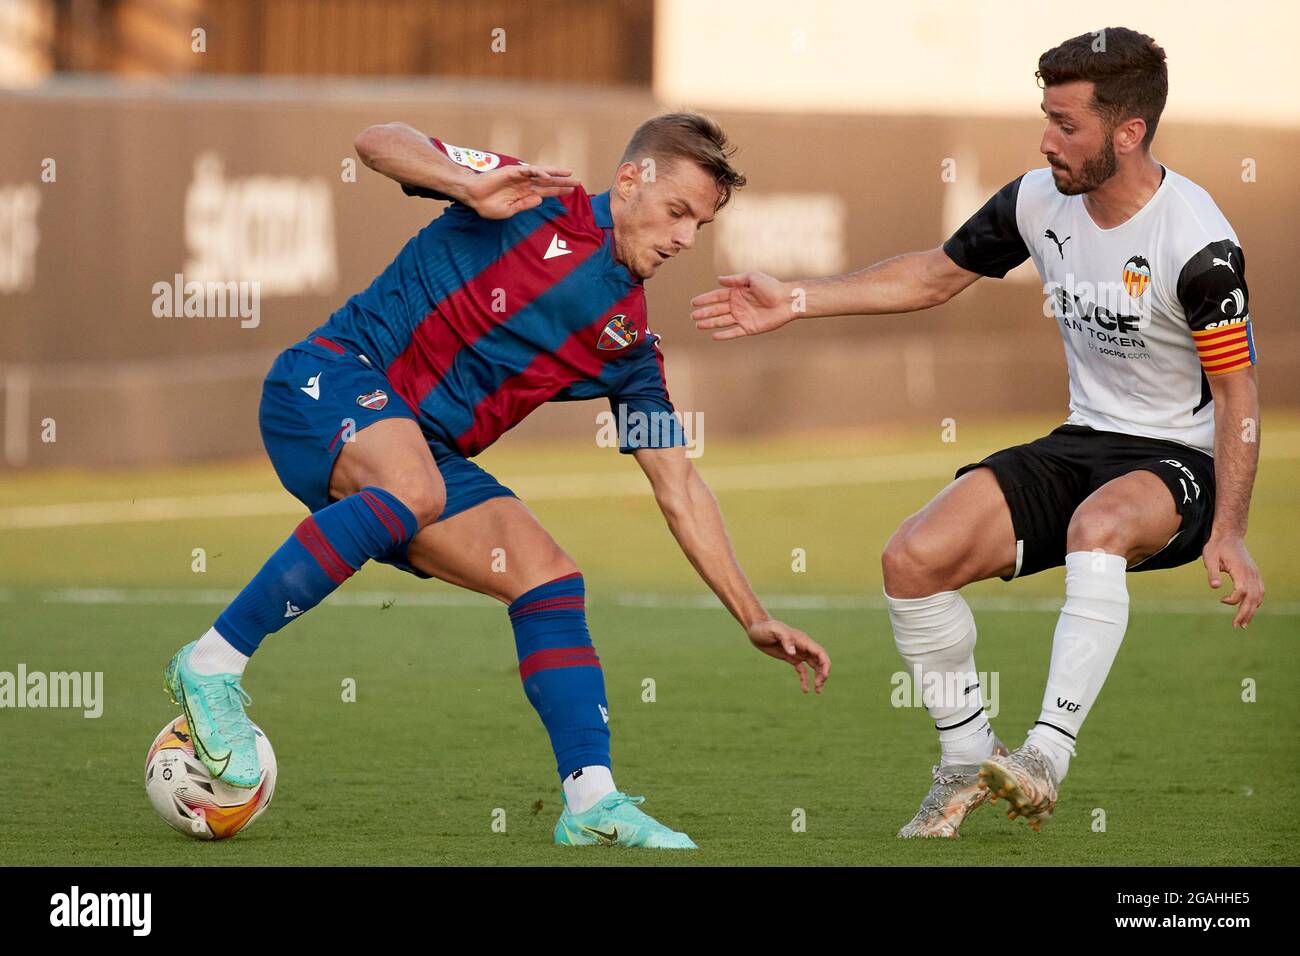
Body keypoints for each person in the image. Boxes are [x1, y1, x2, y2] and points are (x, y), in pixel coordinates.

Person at [164, 111, 830, 849]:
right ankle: (210, 663)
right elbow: (377, 142)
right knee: (418, 487)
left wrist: (751, 614)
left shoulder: (628, 346)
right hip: (326, 380)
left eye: (700, 226)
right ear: (630, 179)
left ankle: (591, 800)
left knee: (548, 578)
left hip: (420, 460)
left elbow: (678, 485)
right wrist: (466, 185)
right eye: (678, 213)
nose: (684, 239)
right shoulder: (528, 194)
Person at [690, 28, 1262, 837]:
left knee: (1098, 526)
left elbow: (1240, 393)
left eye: (1067, 124)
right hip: (1083, 438)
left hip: (1178, 461)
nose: (1046, 139)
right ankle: (965, 756)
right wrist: (798, 300)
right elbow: (934, 275)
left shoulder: (1198, 245)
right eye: (1045, 117)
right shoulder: (1037, 199)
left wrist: (1232, 530)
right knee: (912, 558)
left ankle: (1045, 757)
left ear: (1128, 132)